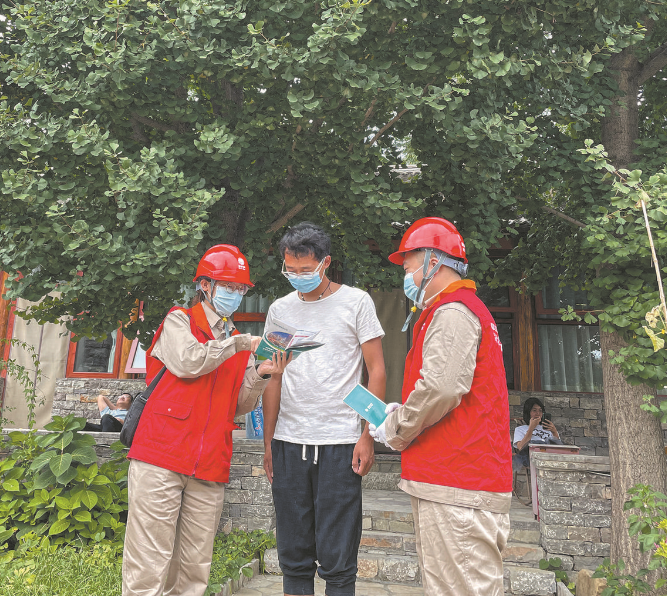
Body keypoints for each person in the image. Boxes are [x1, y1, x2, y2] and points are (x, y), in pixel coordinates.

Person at [122, 244, 290, 596]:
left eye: (241, 288)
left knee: (195, 570)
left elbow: (239, 405)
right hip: (161, 455)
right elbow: (188, 362)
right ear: (204, 285)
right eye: (228, 285)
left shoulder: (235, 340)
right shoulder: (179, 320)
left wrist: (260, 373)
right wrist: (240, 344)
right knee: (149, 565)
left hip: (209, 462)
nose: (236, 294)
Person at [369, 217, 512, 596]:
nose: (407, 275)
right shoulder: (462, 309)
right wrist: (404, 409)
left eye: (409, 265)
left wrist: (397, 425)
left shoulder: (452, 311)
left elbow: (443, 388)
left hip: (458, 479)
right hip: (458, 480)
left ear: (434, 261)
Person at [262, 222, 386, 596]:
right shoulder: (280, 310)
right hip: (288, 441)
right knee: (293, 555)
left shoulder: (356, 301)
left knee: (338, 558)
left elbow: (376, 369)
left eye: (305, 269)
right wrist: (268, 443)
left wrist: (369, 435)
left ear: (325, 262)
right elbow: (272, 377)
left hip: (341, 442)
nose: (297, 277)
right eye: (290, 270)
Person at [513, 397, 561, 469]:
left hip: (550, 455)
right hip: (532, 457)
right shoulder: (520, 429)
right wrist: (531, 428)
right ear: (528, 412)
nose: (538, 413)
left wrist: (554, 432)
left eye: (540, 411)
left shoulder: (547, 428)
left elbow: (559, 446)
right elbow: (520, 447)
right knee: (537, 443)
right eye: (534, 410)